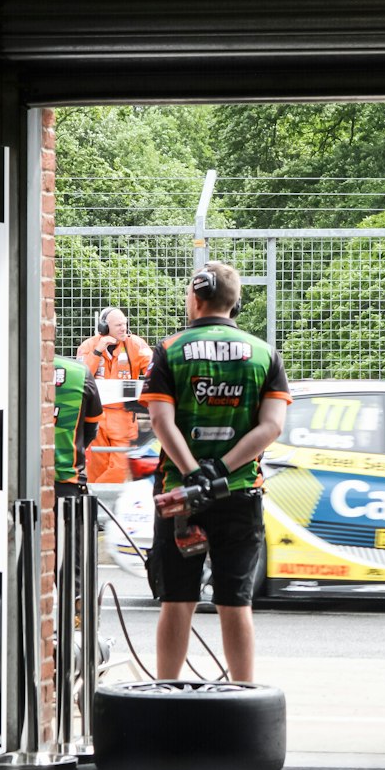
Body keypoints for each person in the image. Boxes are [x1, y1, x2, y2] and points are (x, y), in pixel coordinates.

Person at [140, 263, 291, 682]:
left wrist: (193, 474)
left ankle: (166, 691)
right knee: (235, 601)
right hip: (239, 492)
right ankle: (243, 695)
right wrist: (221, 470)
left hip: (179, 496)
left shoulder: (169, 350)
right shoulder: (264, 354)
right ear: (236, 303)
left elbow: (160, 421)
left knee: (177, 600)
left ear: (195, 298)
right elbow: (272, 426)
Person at [75, 307, 153, 484]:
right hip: (96, 416)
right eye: (118, 325)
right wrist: (97, 352)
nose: (123, 328)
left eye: (125, 324)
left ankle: (97, 494)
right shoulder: (88, 346)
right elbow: (81, 376)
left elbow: (153, 369)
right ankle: (97, 507)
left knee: (120, 467)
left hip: (123, 417)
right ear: (104, 327)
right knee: (96, 468)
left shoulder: (135, 344)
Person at [53, 354, 101, 499]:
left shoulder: (5, 366)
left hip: (11, 477)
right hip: (66, 479)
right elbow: (91, 429)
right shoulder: (79, 371)